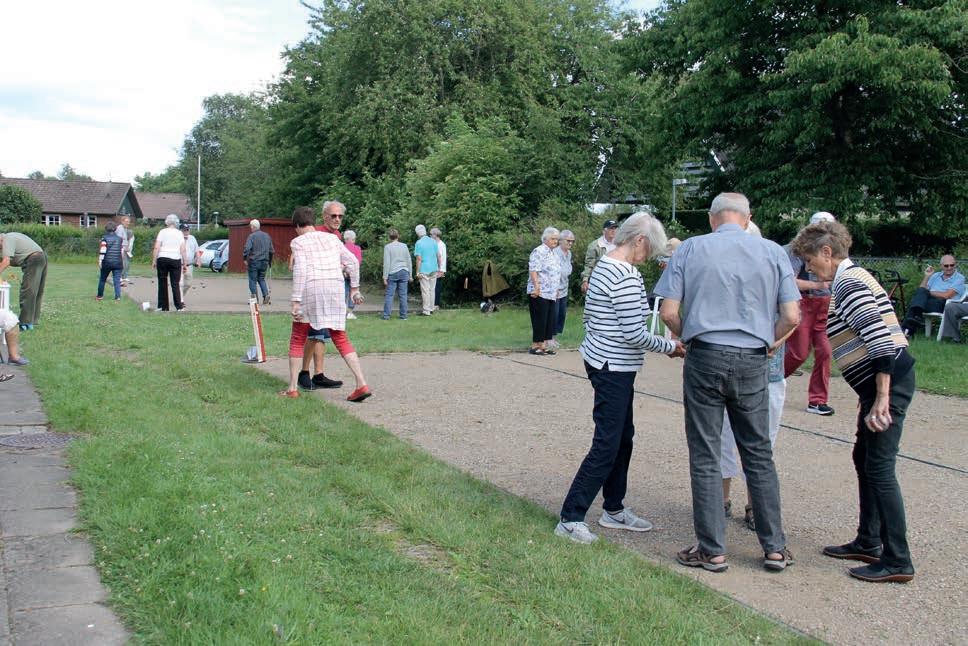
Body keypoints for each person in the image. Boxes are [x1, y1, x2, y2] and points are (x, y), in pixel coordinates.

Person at [656, 192, 800, 573]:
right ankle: (774, 547)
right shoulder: (773, 252)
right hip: (753, 357)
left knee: (705, 452)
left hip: (705, 354)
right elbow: (791, 316)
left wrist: (688, 335)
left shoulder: (689, 249)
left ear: (711, 218)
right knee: (758, 452)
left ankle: (712, 549)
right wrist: (767, 341)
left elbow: (668, 312)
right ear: (748, 218)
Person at [791, 221, 917, 583]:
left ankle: (898, 560)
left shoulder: (851, 282)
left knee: (880, 467)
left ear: (827, 252)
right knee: (864, 458)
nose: (808, 267)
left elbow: (880, 340)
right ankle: (868, 540)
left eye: (810, 259)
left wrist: (881, 398)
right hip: (878, 387)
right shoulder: (849, 279)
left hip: (888, 383)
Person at [555, 212, 685, 544]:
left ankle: (613, 509)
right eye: (649, 249)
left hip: (606, 361)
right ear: (639, 240)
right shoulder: (623, 274)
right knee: (608, 442)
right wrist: (670, 347)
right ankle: (571, 517)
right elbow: (634, 333)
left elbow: (591, 317)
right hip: (612, 366)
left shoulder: (605, 265)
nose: (648, 257)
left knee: (623, 437)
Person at [288, 206, 371, 402]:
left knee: (298, 336)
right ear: (313, 222)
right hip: (335, 288)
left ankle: (292, 388)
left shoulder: (298, 242)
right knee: (340, 337)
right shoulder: (332, 239)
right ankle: (361, 383)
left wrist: (296, 300)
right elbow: (353, 262)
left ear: (297, 226)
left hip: (312, 288)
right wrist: (354, 289)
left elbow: (300, 270)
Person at [782, 212, 836, 415]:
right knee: (798, 353)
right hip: (803, 303)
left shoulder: (833, 249)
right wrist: (817, 284)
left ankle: (817, 400)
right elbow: (789, 281)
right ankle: (769, 382)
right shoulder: (795, 250)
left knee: (825, 351)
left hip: (825, 304)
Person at [901, 254, 965, 336]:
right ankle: (913, 322)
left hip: (945, 304)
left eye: (952, 265)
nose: (949, 268)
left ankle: (907, 327)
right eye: (946, 266)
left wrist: (928, 292)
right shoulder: (935, 275)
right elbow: (921, 289)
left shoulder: (959, 278)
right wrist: (927, 276)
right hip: (929, 302)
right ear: (941, 266)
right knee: (918, 297)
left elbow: (947, 295)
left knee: (915, 303)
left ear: (955, 265)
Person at [0, 232, 47, 331]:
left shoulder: (7, 239)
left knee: (28, 291)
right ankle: (31, 321)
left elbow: (6, 262)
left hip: (34, 258)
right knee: (36, 291)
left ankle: (24, 323)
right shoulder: (11, 236)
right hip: (41, 256)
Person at [527, 227, 561, 355]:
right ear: (545, 238)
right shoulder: (539, 251)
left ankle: (544, 345)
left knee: (549, 319)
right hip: (540, 291)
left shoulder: (554, 253)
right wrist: (536, 287)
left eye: (556, 239)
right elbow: (533, 270)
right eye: (552, 239)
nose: (555, 241)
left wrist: (556, 289)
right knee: (539, 319)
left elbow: (556, 272)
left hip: (551, 292)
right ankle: (535, 345)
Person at [151, 214, 188, 312]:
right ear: (176, 223)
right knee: (175, 283)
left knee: (162, 282)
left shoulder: (162, 232)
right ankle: (179, 306)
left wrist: (154, 260)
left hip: (162, 258)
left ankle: (163, 306)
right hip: (175, 258)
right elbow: (183, 249)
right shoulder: (179, 233)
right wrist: (185, 262)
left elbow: (157, 247)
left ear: (166, 222)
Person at [550, 230, 575, 350]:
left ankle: (554, 338)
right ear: (561, 241)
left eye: (572, 241)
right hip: (554, 289)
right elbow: (552, 273)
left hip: (564, 288)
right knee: (553, 314)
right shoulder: (555, 253)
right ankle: (549, 338)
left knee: (561, 314)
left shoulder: (569, 253)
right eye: (568, 241)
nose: (570, 243)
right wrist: (554, 288)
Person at [580, 220, 618, 294]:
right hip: (599, 281)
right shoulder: (594, 245)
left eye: (615, 228)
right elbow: (589, 265)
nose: (613, 231)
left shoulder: (619, 244)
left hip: (615, 280)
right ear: (604, 231)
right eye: (611, 228)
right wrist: (585, 280)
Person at [382, 228, 412, 320]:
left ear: (389, 237)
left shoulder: (388, 247)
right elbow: (409, 260)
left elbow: (387, 263)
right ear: (398, 236)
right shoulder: (404, 246)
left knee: (389, 294)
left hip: (393, 272)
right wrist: (410, 274)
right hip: (404, 271)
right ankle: (404, 315)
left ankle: (386, 315)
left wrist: (385, 277)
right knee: (403, 295)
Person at [243, 219, 274, 305]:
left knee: (252, 280)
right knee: (261, 279)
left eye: (251, 227)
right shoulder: (267, 236)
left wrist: (245, 258)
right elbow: (271, 251)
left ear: (253, 227)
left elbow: (247, 248)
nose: (250, 228)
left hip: (254, 261)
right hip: (265, 261)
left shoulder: (251, 236)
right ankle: (266, 295)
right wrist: (270, 261)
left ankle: (254, 299)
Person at [413, 224, 440, 316]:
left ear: (417, 233)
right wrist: (439, 268)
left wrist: (417, 271)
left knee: (425, 290)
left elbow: (419, 258)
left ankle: (426, 311)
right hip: (434, 268)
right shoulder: (433, 241)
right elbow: (438, 256)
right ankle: (431, 308)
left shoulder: (419, 243)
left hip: (424, 269)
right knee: (432, 289)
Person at [96, 221, 124, 301]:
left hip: (107, 262)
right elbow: (121, 252)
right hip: (118, 263)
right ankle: (118, 297)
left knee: (102, 279)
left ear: (106, 229)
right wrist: (121, 261)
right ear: (115, 229)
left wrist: (100, 261)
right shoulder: (120, 239)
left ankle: (100, 296)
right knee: (117, 281)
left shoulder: (104, 238)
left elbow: (103, 250)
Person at [342, 230, 363, 319]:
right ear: (353, 239)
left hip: (343, 273)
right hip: (354, 274)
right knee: (353, 291)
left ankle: (342, 311)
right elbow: (358, 261)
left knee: (343, 292)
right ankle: (350, 312)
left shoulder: (341, 247)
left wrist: (344, 271)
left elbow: (339, 260)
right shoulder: (357, 248)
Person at [179, 224, 200, 304]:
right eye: (184, 230)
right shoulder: (177, 238)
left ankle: (180, 297)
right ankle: (180, 301)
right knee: (180, 283)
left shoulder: (192, 238)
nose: (186, 232)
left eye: (187, 230)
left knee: (188, 284)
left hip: (189, 265)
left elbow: (197, 250)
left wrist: (198, 260)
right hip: (179, 264)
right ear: (180, 231)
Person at [430, 227, 447, 310]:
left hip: (439, 269)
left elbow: (443, 258)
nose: (430, 236)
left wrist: (442, 270)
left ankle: (436, 304)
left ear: (435, 235)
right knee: (432, 287)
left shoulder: (441, 245)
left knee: (437, 287)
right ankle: (431, 304)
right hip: (432, 268)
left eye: (431, 234)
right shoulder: (433, 244)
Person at [117, 215, 134, 286]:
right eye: (127, 221)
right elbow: (119, 239)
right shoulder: (120, 228)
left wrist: (127, 246)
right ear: (122, 221)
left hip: (124, 248)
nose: (128, 223)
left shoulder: (125, 229)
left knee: (125, 263)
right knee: (122, 263)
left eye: (129, 222)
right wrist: (124, 246)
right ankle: (119, 277)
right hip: (121, 248)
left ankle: (123, 277)